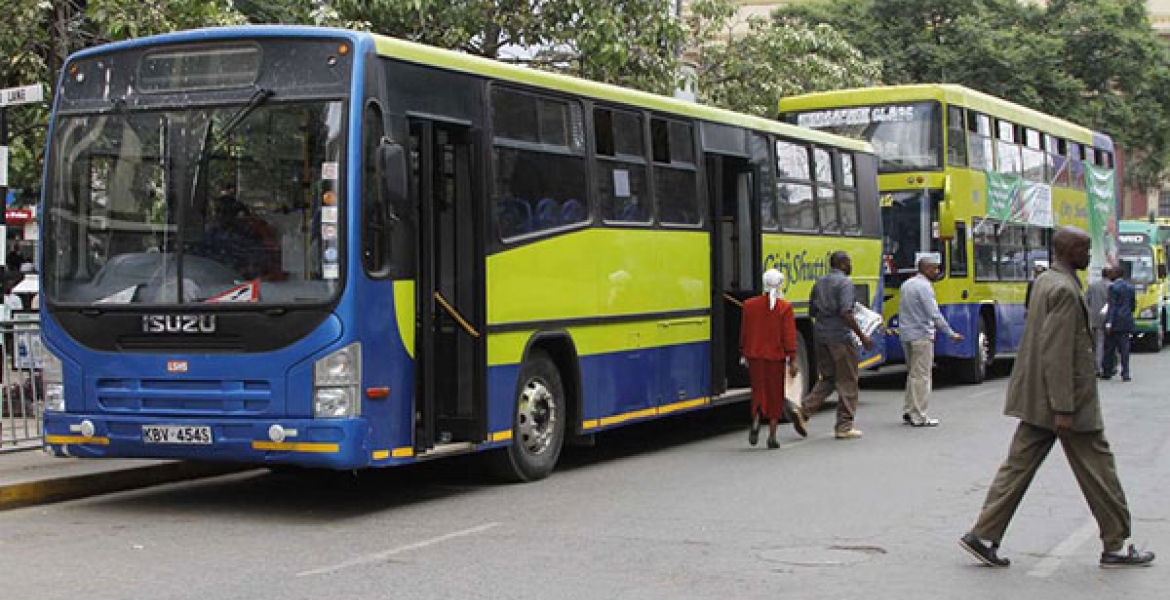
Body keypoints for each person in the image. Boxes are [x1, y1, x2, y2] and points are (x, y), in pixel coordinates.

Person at [959, 226, 1155, 569]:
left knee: (1017, 467)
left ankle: (983, 533)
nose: (1088, 255)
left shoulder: (1046, 281)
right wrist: (1064, 406)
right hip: (1066, 401)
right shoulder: (1064, 289)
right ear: (1069, 250)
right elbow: (1059, 352)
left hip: (1037, 397)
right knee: (1099, 469)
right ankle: (1116, 544)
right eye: (1084, 248)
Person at [797, 251, 873, 440]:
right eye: (849, 261)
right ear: (843, 264)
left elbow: (812, 311)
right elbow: (846, 312)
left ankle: (804, 410)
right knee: (848, 380)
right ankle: (844, 426)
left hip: (821, 336)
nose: (850, 265)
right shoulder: (845, 283)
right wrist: (862, 336)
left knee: (828, 378)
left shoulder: (819, 282)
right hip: (840, 338)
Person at [740, 269, 804, 449]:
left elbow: (745, 332)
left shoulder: (749, 305)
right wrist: (792, 359)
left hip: (754, 355)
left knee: (758, 391)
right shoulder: (785, 307)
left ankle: (756, 417)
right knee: (775, 395)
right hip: (775, 357)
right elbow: (788, 336)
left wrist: (744, 351)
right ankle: (772, 436)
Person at [897, 253, 963, 427]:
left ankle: (909, 410)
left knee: (912, 374)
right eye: (935, 268)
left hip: (906, 335)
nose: (937, 272)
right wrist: (950, 333)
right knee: (922, 376)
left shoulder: (906, 285)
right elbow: (934, 313)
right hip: (921, 336)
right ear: (926, 268)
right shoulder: (925, 288)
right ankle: (919, 415)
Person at [1102, 265, 1135, 382]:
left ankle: (1107, 371)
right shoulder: (1131, 288)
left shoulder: (1113, 288)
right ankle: (1125, 372)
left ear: (1115, 275)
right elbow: (1132, 305)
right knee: (1125, 348)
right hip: (1126, 320)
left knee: (1110, 348)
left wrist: (1109, 323)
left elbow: (1112, 306)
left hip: (1115, 322)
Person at [1085, 266, 1112, 376]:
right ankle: (1100, 367)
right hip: (1106, 318)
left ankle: (1096, 365)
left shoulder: (1093, 286)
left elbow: (1087, 300)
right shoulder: (1112, 286)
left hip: (1093, 317)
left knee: (1095, 343)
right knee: (1104, 344)